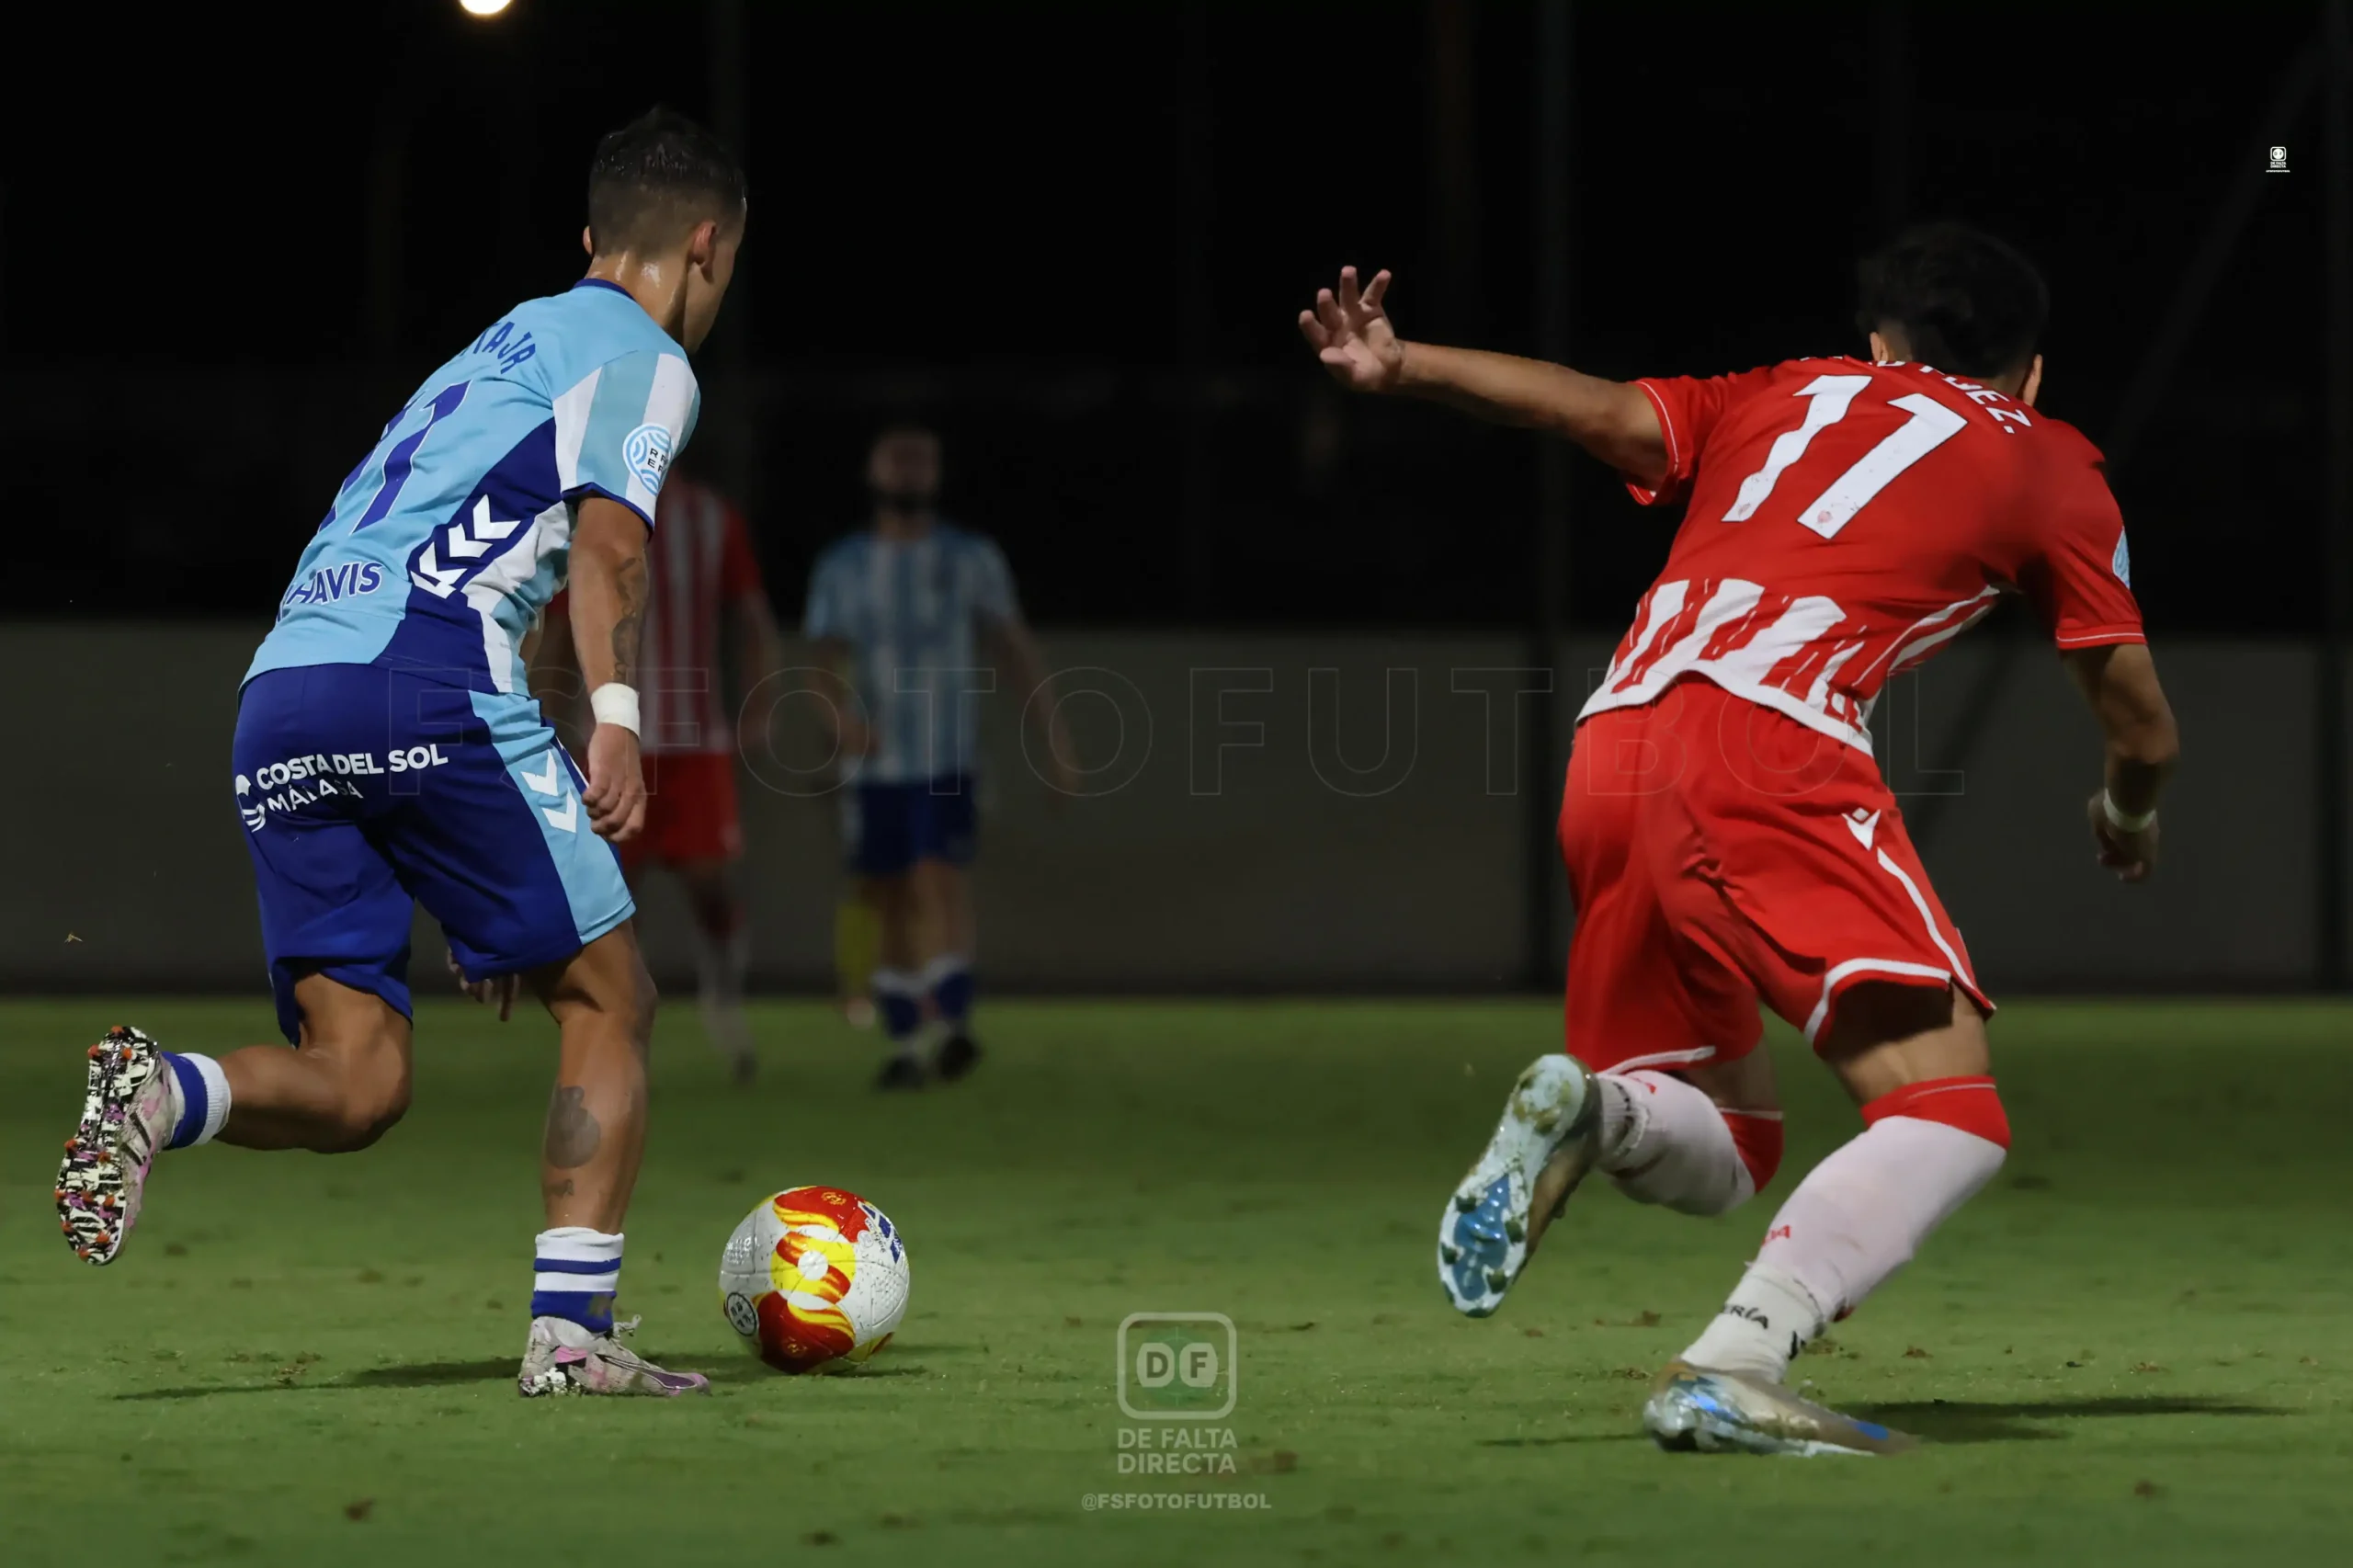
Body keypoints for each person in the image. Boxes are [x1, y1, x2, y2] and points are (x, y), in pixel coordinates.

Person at [1299, 223, 2179, 1455]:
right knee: (1949, 1110)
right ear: (2034, 374)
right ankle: (1735, 1362)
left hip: (1616, 741)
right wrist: (2126, 814)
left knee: (1730, 1138)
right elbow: (2139, 722)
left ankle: (1596, 1111)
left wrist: (1404, 366)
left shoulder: (1785, 389)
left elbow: (1597, 410)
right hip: (1768, 743)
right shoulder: (2053, 462)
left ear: (1880, 345)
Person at [56, 108, 748, 1400]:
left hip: (284, 689)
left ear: (592, 237)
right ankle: (572, 1331)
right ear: (706, 245)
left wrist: (497, 886)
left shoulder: (490, 352)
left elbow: (509, 564)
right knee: (611, 996)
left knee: (360, 1080)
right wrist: (616, 713)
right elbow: (608, 554)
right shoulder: (647, 359)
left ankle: (166, 1090)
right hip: (422, 675)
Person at [803, 426, 1077, 1089]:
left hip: (947, 754)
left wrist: (1056, 743)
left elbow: (1015, 649)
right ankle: (906, 1043)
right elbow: (819, 664)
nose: (909, 468)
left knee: (939, 876)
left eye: (921, 457)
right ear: (872, 469)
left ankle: (952, 1025)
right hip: (875, 765)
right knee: (891, 891)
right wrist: (837, 718)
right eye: (896, 455)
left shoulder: (971, 557)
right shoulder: (844, 565)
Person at [534, 468, 784, 1085]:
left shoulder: (710, 517)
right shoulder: (587, 518)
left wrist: (762, 701)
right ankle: (618, 1037)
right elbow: (566, 626)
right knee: (615, 905)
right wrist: (541, 719)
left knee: (711, 884)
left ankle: (723, 1002)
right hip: (614, 746)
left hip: (696, 745)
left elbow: (751, 616)